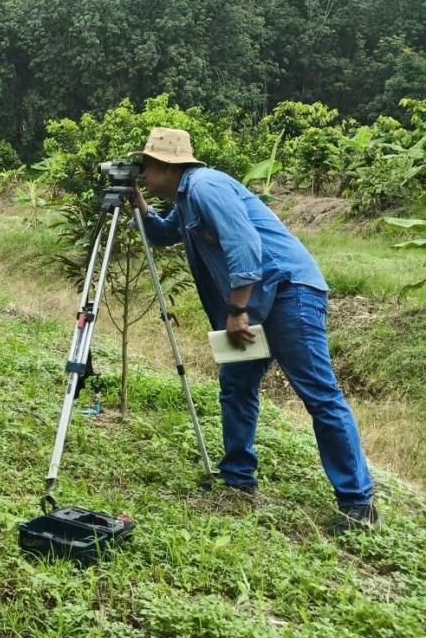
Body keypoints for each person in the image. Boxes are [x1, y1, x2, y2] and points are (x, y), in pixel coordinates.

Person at [131, 127, 378, 533]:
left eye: (145, 167)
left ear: (167, 166)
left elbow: (244, 245)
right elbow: (160, 235)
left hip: (287, 291)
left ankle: (358, 502)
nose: (142, 173)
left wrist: (236, 309)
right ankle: (238, 479)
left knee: (319, 396)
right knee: (237, 386)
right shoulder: (186, 197)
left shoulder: (206, 186)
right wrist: (134, 199)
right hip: (258, 298)